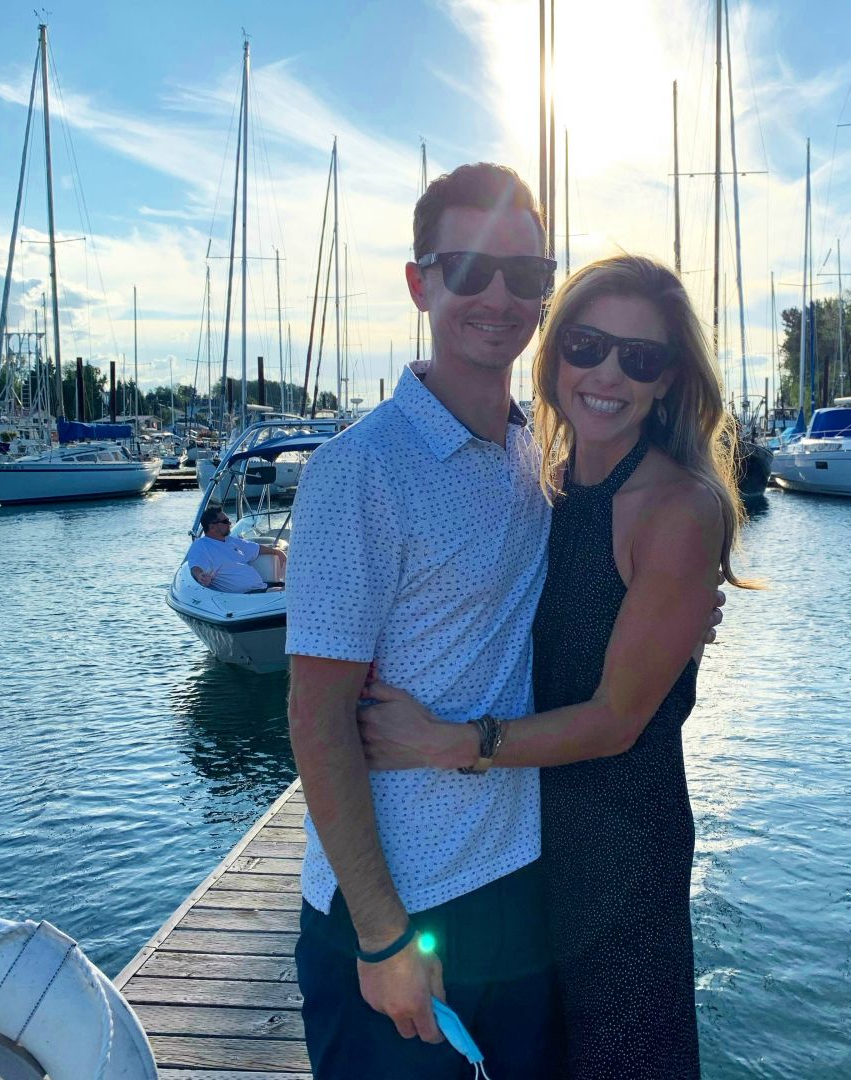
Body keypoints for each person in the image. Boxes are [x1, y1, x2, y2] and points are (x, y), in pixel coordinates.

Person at [359, 253, 753, 1079]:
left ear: (666, 380)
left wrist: (451, 743)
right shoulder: (541, 479)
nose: (606, 374)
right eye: (586, 345)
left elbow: (617, 721)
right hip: (519, 839)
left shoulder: (676, 507)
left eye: (638, 358)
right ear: (554, 352)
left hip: (619, 849)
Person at [286, 163, 562, 1079]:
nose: (499, 296)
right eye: (470, 268)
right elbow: (316, 716)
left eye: (525, 273)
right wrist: (381, 935)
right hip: (396, 912)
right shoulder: (358, 470)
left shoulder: (536, 452)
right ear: (421, 283)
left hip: (514, 884)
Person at [185, 506, 286, 592]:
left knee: (291, 585)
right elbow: (195, 566)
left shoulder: (231, 540)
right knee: (291, 592)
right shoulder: (201, 545)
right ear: (212, 527)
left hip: (261, 588)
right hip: (246, 596)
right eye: (225, 521)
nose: (230, 524)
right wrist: (200, 576)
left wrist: (278, 552)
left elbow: (257, 548)